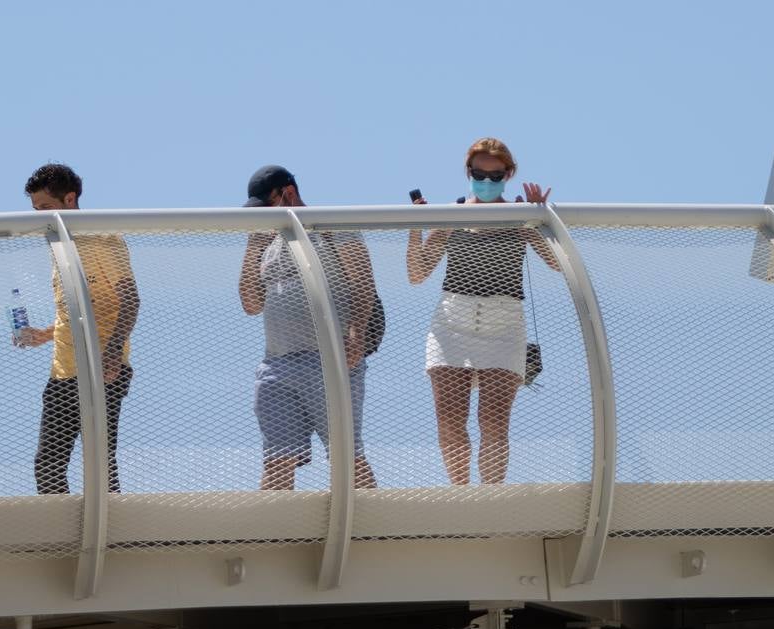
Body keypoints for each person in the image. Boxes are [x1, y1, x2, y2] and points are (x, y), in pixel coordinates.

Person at [407, 137, 560, 485]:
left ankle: (490, 498)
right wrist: (415, 225)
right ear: (468, 172)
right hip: (451, 324)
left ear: (509, 175)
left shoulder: (520, 217)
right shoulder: (451, 215)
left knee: (493, 421)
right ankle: (461, 496)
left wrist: (540, 219)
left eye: (496, 176)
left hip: (503, 326)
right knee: (450, 419)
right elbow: (417, 274)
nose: (487, 183)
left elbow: (557, 263)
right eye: (479, 174)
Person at [238, 166, 378, 490]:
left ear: (288, 193)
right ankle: (273, 538)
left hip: (330, 359)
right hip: (277, 364)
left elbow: (363, 281)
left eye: (266, 207)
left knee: (347, 458)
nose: (262, 217)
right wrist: (252, 246)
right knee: (276, 460)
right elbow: (250, 303)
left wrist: (357, 331)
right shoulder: (266, 245)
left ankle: (375, 531)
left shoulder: (330, 225)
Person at [19, 164, 140, 494]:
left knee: (99, 461)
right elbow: (74, 312)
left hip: (102, 367)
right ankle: (63, 540)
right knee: (47, 465)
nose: (40, 217)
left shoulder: (102, 239)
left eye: (45, 208)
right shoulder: (58, 244)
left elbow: (130, 300)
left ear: (70, 199)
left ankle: (110, 538)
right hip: (62, 372)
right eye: (35, 210)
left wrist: (114, 353)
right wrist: (42, 335)